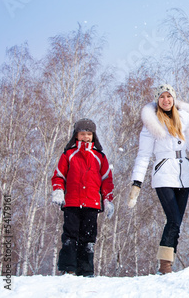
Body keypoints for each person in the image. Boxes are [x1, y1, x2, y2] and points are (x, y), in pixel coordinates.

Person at [127, 84, 189, 275]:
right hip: (164, 174)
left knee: (177, 222)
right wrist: (136, 183)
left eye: (169, 96)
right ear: (158, 100)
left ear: (174, 99)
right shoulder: (151, 123)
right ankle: (165, 265)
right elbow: (143, 155)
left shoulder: (185, 118)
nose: (166, 100)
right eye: (162, 97)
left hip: (184, 175)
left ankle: (168, 262)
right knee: (172, 219)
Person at [51, 118, 115, 277]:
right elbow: (59, 176)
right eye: (82, 134)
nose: (85, 137)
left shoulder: (100, 157)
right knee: (70, 236)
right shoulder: (69, 154)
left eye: (89, 134)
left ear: (93, 136)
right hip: (72, 202)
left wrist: (107, 199)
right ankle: (68, 268)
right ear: (76, 135)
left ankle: (86, 271)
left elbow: (107, 180)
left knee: (88, 239)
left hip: (92, 204)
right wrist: (58, 190)